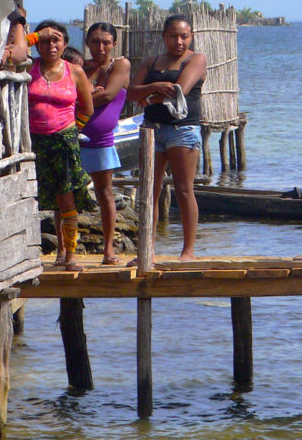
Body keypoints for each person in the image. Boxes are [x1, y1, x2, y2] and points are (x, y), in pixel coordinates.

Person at [4, 12, 94, 271]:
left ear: (65, 44)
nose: (51, 46)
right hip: (33, 143)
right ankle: (27, 254)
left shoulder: (74, 72)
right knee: (33, 196)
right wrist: (34, 36)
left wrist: (71, 131)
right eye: (45, 41)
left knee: (66, 200)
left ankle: (70, 256)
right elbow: (10, 55)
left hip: (64, 142)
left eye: (56, 41)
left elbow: (87, 109)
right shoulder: (27, 67)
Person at [128, 15, 207, 261]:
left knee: (184, 190)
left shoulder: (197, 59)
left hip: (182, 130)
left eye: (184, 36)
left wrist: (150, 95)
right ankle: (147, 250)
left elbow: (179, 90)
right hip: (152, 129)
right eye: (173, 36)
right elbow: (131, 92)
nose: (179, 41)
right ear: (164, 37)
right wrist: (157, 86)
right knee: (149, 190)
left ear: (191, 36)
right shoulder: (151, 62)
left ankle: (188, 251)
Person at [79, 22, 131, 266]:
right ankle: (63, 252)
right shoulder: (80, 66)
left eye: (106, 42)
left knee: (104, 192)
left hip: (101, 140)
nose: (100, 47)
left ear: (114, 44)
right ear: (87, 43)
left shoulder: (119, 65)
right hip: (73, 135)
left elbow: (109, 95)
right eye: (95, 42)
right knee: (65, 194)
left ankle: (109, 250)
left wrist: (81, 99)